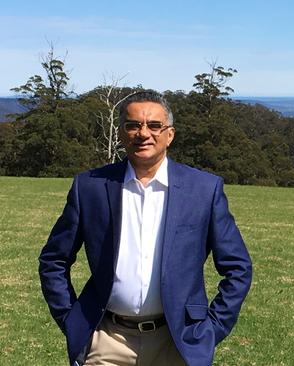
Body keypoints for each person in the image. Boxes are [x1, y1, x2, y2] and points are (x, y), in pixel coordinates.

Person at [38, 91, 253, 366]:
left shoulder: (204, 190)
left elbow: (238, 267)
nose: (143, 133)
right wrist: (71, 319)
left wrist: (211, 329)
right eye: (133, 125)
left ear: (170, 134)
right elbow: (53, 259)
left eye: (154, 126)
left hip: (177, 342)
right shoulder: (89, 187)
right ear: (122, 133)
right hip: (107, 340)